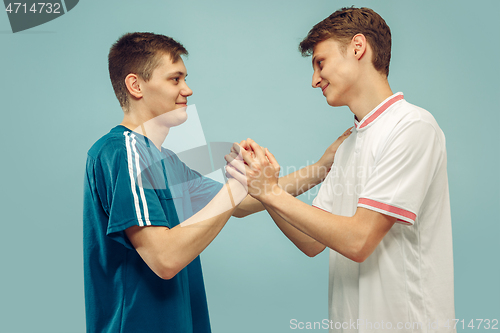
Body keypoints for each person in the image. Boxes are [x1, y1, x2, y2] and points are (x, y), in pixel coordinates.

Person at [83, 32, 350, 333]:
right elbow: (165, 259)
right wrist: (237, 184)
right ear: (136, 85)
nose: (188, 89)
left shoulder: (165, 159)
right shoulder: (121, 152)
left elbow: (240, 203)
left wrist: (321, 167)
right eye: (175, 79)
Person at [226, 7, 455, 333]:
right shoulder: (348, 145)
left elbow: (359, 241)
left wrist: (271, 191)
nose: (315, 80)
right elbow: (311, 242)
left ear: (358, 47)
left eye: (321, 62)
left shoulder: (412, 126)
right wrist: (264, 186)